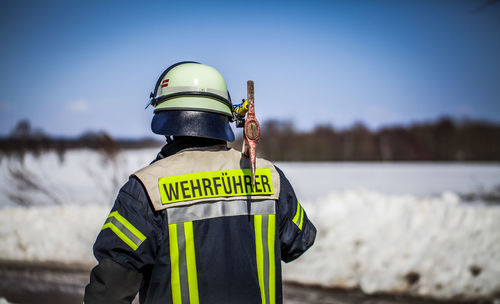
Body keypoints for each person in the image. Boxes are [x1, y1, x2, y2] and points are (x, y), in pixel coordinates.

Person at [83, 61, 316, 304]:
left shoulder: (145, 190)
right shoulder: (269, 177)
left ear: (166, 121)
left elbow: (108, 292)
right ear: (226, 116)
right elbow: (299, 242)